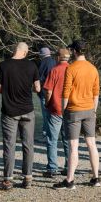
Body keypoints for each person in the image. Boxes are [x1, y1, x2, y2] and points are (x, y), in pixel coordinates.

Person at [53, 40, 101, 190]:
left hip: (74, 110)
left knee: (73, 146)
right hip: (89, 109)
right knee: (91, 144)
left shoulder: (71, 68)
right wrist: (93, 109)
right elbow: (96, 93)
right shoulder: (93, 69)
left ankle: (70, 180)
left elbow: (66, 92)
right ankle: (96, 177)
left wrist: (63, 109)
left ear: (74, 51)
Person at [0, 42, 40, 190]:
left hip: (9, 111)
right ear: (26, 52)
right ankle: (28, 178)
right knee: (28, 145)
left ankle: (7, 180)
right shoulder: (32, 66)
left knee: (9, 145)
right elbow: (37, 88)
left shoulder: (4, 65)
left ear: (15, 50)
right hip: (27, 110)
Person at [42, 48, 72, 178]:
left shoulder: (54, 70)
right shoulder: (73, 69)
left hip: (55, 109)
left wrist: (47, 103)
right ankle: (68, 166)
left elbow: (48, 91)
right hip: (70, 109)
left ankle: (52, 168)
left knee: (52, 140)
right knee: (67, 140)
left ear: (58, 58)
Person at [37, 47, 56, 113]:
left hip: (45, 92)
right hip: (55, 92)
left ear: (41, 55)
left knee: (46, 117)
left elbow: (39, 79)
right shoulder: (55, 62)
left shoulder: (41, 64)